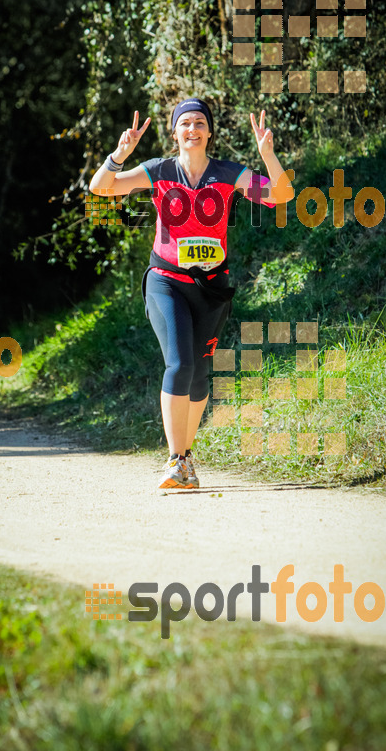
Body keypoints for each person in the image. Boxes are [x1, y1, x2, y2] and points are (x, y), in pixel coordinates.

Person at [90, 98, 293, 489]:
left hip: (212, 287)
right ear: (175, 132)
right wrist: (119, 155)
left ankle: (186, 459)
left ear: (209, 132)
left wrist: (268, 155)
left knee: (199, 377)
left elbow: (281, 195)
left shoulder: (228, 173)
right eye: (185, 123)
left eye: (200, 122)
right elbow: (101, 189)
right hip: (166, 280)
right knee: (180, 365)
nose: (193, 128)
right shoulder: (158, 170)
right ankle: (175, 460)